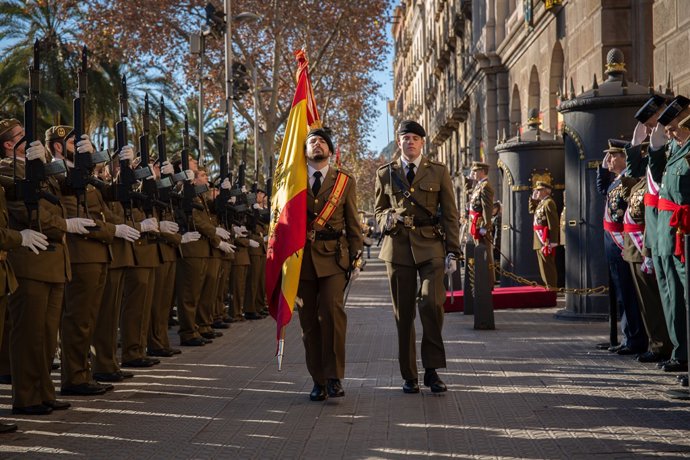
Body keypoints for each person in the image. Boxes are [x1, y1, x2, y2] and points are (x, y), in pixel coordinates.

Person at [374, 120, 460, 394]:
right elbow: (378, 211)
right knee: (404, 314)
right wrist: (387, 217)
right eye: (405, 138)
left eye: (415, 138)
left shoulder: (438, 171)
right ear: (398, 142)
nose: (410, 142)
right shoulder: (385, 173)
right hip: (397, 248)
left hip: (431, 246)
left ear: (423, 143)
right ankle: (409, 375)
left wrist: (453, 251)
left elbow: (450, 214)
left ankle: (432, 371)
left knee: (432, 305)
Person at [298, 128, 362, 401]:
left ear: (330, 149)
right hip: (301, 261)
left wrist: (357, 257)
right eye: (312, 141)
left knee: (333, 316)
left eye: (322, 141)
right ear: (304, 151)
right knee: (309, 322)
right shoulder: (292, 182)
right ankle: (318, 380)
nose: (317, 144)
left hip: (334, 257)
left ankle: (334, 377)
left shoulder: (344, 181)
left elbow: (352, 222)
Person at [648, 95, 690, 373]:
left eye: (674, 128)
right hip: (669, 230)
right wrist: (653, 146)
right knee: (671, 292)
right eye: (669, 130)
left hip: (683, 232)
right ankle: (681, 351)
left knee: (685, 293)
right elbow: (655, 176)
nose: (671, 134)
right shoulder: (675, 150)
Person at [596, 139, 647, 355]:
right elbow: (602, 189)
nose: (609, 159)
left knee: (627, 292)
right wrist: (602, 167)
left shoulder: (629, 179)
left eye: (613, 155)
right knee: (620, 293)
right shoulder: (616, 179)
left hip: (622, 240)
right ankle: (627, 336)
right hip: (612, 241)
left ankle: (634, 338)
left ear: (624, 158)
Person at [467, 161, 495, 286]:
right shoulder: (478, 186)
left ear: (482, 172)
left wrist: (485, 226)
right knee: (478, 251)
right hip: (475, 224)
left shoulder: (485, 187)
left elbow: (487, 209)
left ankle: (488, 282)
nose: (472, 173)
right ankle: (482, 280)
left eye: (475, 171)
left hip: (480, 225)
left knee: (484, 253)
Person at [529, 180, 559, 288]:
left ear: (546, 191)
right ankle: (548, 286)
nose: (536, 192)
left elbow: (553, 223)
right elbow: (531, 210)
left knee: (548, 266)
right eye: (536, 190)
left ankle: (551, 288)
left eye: (539, 190)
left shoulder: (549, 202)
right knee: (543, 267)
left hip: (545, 238)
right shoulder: (541, 203)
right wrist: (532, 199)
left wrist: (553, 241)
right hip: (539, 237)